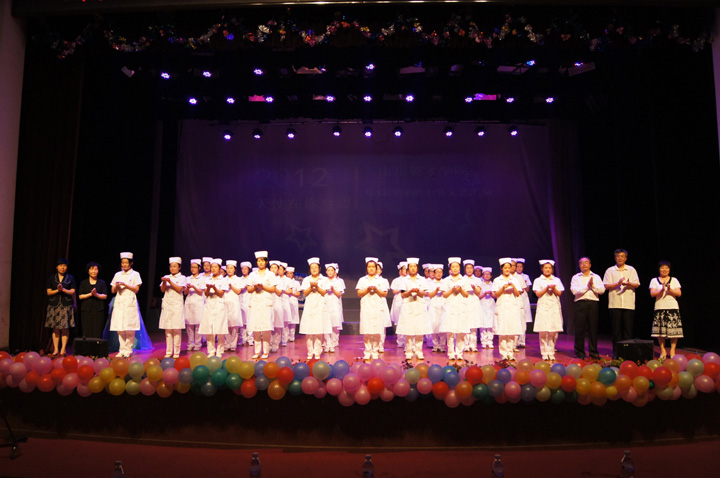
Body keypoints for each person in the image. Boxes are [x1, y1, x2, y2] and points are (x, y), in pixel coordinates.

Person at [603, 249, 640, 358]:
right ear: (615, 258)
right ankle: (617, 353)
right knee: (616, 331)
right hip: (615, 304)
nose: (620, 258)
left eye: (622, 256)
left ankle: (627, 353)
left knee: (628, 330)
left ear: (626, 258)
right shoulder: (610, 270)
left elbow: (637, 284)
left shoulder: (631, 269)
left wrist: (628, 284)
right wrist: (617, 283)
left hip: (628, 304)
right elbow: (606, 285)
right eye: (618, 256)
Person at [395, 258, 432, 361]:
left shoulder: (422, 279)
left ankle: (419, 351)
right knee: (409, 330)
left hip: (419, 306)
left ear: (417, 268)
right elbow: (403, 294)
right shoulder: (404, 280)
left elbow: (423, 293)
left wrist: (418, 291)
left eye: (414, 266)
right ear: (408, 268)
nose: (412, 268)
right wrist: (410, 291)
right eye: (411, 266)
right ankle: (409, 351)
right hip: (408, 306)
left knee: (420, 330)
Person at [570, 257, 605, 359]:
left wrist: (592, 286)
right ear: (579, 265)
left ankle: (593, 352)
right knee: (580, 329)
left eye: (586, 262)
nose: (584, 264)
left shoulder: (596, 277)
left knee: (593, 329)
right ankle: (580, 353)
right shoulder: (576, 277)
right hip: (580, 304)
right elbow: (575, 291)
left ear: (590, 265)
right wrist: (587, 286)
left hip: (593, 304)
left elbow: (601, 291)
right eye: (581, 263)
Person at [110, 252, 142, 358]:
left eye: (126, 262)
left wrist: (125, 285)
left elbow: (136, 289)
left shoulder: (135, 274)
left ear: (131, 263)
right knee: (120, 328)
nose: (124, 264)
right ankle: (121, 349)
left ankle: (128, 349)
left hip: (130, 302)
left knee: (129, 328)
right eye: (122, 262)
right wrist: (117, 286)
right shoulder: (117, 274)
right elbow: (112, 290)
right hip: (120, 303)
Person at [357, 257, 389, 362]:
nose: (371, 269)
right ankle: (367, 352)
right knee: (367, 331)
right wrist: (367, 289)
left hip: (377, 307)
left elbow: (384, 294)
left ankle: (375, 351)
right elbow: (359, 293)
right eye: (369, 267)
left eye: (373, 267)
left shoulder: (381, 280)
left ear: (376, 268)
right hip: (366, 307)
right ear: (367, 268)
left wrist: (376, 289)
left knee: (376, 331)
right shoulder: (362, 280)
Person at [247, 251, 278, 359]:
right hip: (255, 303)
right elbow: (248, 289)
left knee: (266, 328)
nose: (260, 263)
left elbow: (273, 289)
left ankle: (265, 351)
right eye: (258, 261)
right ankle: (256, 351)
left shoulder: (270, 274)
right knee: (255, 327)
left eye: (262, 261)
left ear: (266, 262)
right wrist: (255, 287)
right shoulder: (252, 274)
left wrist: (263, 287)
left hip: (266, 303)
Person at [649, 260, 683, 359]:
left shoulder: (674, 280)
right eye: (662, 268)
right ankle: (663, 351)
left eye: (666, 268)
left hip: (672, 307)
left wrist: (670, 290)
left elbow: (679, 293)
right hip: (660, 307)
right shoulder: (654, 280)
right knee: (660, 332)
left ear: (669, 269)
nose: (664, 270)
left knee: (674, 332)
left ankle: (672, 351)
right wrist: (661, 290)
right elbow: (652, 294)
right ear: (659, 269)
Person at [440, 257, 471, 362]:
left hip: (461, 308)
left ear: (459, 268)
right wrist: (452, 290)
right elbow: (444, 295)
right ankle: (451, 353)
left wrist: (460, 289)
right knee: (450, 332)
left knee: (461, 331)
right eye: (453, 267)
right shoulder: (446, 280)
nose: (455, 268)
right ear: (450, 268)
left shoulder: (464, 280)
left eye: (456, 267)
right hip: (450, 308)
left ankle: (459, 353)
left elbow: (466, 294)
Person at [492, 258, 524, 361]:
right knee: (503, 332)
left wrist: (513, 286)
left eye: (508, 268)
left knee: (511, 331)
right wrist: (503, 288)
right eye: (505, 268)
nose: (507, 269)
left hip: (512, 307)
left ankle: (510, 352)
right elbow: (495, 294)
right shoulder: (497, 280)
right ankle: (504, 353)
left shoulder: (515, 280)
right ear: (502, 268)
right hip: (502, 307)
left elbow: (518, 294)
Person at [532, 260, 564, 361]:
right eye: (546, 268)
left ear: (552, 269)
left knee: (552, 331)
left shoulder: (556, 280)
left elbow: (559, 293)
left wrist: (553, 288)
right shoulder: (538, 280)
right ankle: (544, 352)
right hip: (543, 307)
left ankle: (551, 351)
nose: (548, 269)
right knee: (543, 330)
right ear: (542, 269)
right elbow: (537, 294)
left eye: (550, 268)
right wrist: (546, 288)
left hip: (553, 307)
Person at [45, 258, 77, 357]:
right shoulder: (52, 278)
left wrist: (63, 289)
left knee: (65, 328)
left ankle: (63, 349)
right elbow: (48, 292)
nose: (63, 267)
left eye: (64, 265)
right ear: (57, 267)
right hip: (54, 305)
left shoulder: (70, 278)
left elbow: (72, 291)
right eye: (60, 265)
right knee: (55, 328)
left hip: (66, 305)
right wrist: (58, 290)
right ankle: (55, 349)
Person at [300, 258, 330, 360]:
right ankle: (310, 351)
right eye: (312, 268)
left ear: (319, 268)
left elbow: (324, 292)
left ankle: (317, 351)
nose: (313, 269)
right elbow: (305, 293)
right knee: (309, 330)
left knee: (318, 330)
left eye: (315, 267)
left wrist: (316, 287)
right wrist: (311, 287)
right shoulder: (306, 279)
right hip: (309, 307)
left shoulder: (324, 279)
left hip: (320, 307)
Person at [198, 258, 228, 357]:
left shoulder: (224, 280)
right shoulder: (207, 279)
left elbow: (220, 293)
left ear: (219, 268)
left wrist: (214, 288)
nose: (213, 269)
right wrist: (208, 288)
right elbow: (206, 293)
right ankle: (211, 351)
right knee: (209, 329)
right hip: (209, 305)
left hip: (219, 305)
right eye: (212, 267)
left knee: (219, 329)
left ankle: (220, 351)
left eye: (215, 267)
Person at [159, 257, 186, 358]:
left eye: (175, 266)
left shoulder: (182, 278)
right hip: (167, 305)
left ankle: (176, 352)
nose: (173, 268)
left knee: (176, 329)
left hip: (177, 306)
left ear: (179, 267)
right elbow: (162, 290)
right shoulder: (167, 276)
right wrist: (164, 282)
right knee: (168, 329)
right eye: (171, 266)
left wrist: (170, 282)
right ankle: (169, 351)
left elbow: (179, 289)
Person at [78, 261, 107, 339]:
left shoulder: (102, 283)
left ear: (98, 271)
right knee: (86, 329)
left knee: (97, 329)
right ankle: (87, 346)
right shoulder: (83, 283)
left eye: (95, 269)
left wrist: (96, 295)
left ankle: (97, 346)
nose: (93, 271)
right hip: (86, 309)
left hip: (98, 309)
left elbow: (105, 296)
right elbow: (80, 296)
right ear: (88, 271)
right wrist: (90, 294)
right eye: (91, 269)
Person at [184, 259, 205, 351]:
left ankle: (197, 343)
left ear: (199, 268)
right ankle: (190, 343)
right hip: (189, 302)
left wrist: (194, 287)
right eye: (191, 267)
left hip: (198, 302)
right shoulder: (187, 278)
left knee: (198, 324)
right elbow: (185, 292)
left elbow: (201, 292)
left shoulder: (202, 279)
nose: (193, 269)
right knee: (189, 324)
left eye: (195, 267)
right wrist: (188, 288)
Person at [324, 263, 345, 353]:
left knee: (335, 324)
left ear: (334, 271)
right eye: (328, 270)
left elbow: (339, 294)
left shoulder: (338, 282)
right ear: (326, 272)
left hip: (335, 304)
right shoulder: (323, 281)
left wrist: (333, 289)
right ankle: (327, 343)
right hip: (325, 304)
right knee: (326, 324)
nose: (330, 272)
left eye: (332, 270)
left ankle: (333, 342)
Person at [224, 260, 243, 352]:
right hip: (225, 302)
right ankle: (227, 343)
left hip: (234, 303)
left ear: (234, 269)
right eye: (228, 268)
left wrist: (231, 286)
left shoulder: (238, 279)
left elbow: (238, 291)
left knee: (234, 324)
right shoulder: (223, 279)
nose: (229, 270)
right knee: (226, 323)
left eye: (231, 268)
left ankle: (233, 344)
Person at [427, 264, 446, 353]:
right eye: (437, 272)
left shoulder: (445, 282)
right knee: (434, 325)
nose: (439, 274)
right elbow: (430, 295)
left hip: (443, 305)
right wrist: (436, 290)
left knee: (442, 326)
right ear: (433, 273)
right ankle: (435, 345)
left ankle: (442, 346)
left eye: (440, 272)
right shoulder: (430, 283)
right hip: (433, 306)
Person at [514, 258, 533, 349]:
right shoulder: (512, 277)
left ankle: (522, 341)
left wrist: (524, 284)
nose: (519, 268)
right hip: (515, 298)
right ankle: (515, 341)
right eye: (517, 266)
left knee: (523, 320)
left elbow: (527, 289)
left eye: (521, 267)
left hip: (524, 299)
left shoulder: (525, 276)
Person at [464, 259, 481, 353]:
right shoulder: (462, 279)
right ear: (465, 269)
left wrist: (474, 288)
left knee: (474, 325)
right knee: (466, 325)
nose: (469, 270)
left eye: (471, 268)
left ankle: (473, 345)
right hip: (465, 302)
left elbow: (478, 293)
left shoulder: (477, 280)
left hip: (474, 303)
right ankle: (465, 345)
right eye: (467, 268)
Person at [390, 262, 408, 349]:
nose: (406, 270)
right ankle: (400, 340)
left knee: (407, 321)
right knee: (398, 321)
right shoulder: (396, 280)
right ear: (400, 271)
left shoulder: (410, 280)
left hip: (407, 301)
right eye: (404, 269)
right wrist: (402, 289)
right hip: (398, 301)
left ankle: (407, 341)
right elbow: (394, 291)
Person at [478, 267, 496, 349]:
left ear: (491, 276)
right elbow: (478, 296)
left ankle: (490, 341)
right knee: (483, 324)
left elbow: (496, 295)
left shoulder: (493, 284)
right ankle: (484, 341)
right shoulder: (480, 284)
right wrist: (484, 294)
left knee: (491, 324)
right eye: (485, 274)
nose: (487, 276)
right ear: (482, 276)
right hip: (482, 305)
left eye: (488, 274)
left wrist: (491, 294)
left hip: (491, 305)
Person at [285, 266, 301, 343]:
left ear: (293, 274)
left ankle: (292, 336)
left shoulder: (296, 283)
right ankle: (285, 336)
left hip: (293, 301)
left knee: (293, 320)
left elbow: (298, 293)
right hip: (285, 301)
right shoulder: (283, 281)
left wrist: (291, 293)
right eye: (287, 273)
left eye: (290, 273)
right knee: (286, 319)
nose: (289, 275)